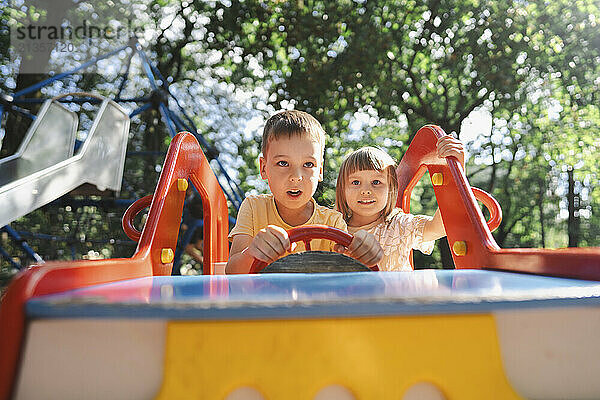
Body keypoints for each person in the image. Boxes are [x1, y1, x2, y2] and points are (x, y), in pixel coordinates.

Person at [226, 110, 383, 274]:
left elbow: (348, 278)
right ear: (264, 168)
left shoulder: (333, 221)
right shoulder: (253, 208)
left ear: (320, 171)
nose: (296, 177)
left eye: (308, 164)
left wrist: (364, 254)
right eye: (283, 163)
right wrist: (252, 252)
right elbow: (232, 272)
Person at [335, 136, 465, 271]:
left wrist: (457, 173)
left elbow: (438, 228)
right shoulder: (333, 227)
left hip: (397, 292)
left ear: (391, 189)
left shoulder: (399, 225)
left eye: (376, 182)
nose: (366, 191)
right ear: (342, 189)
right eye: (356, 182)